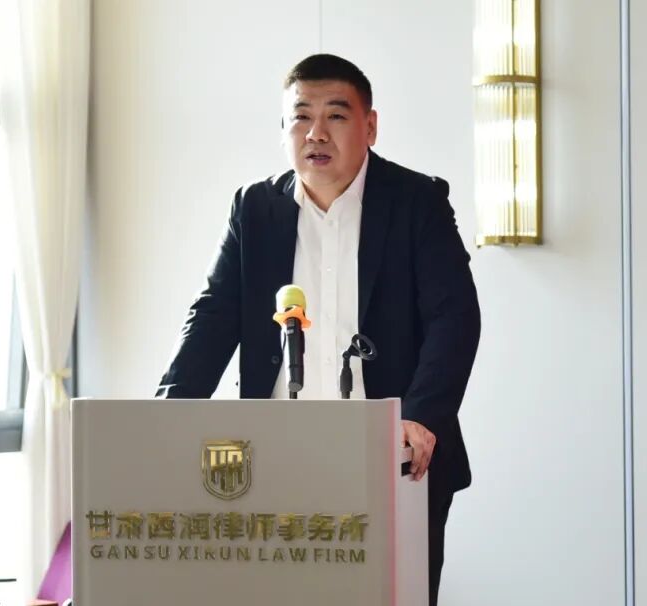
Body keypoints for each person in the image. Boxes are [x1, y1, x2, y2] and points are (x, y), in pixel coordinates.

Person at [156, 53, 480, 605]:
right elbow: (213, 316)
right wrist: (166, 414)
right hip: (276, 461)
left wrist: (422, 416)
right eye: (301, 116)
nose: (316, 133)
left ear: (370, 126)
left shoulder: (416, 202)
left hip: (393, 461)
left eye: (336, 115)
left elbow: (455, 318)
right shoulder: (255, 208)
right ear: (283, 128)